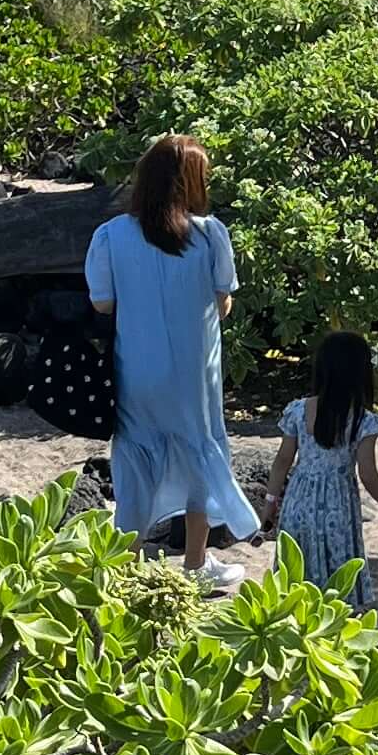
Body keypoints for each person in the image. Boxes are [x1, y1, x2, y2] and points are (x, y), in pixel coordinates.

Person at [85, 136, 258, 594]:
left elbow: (102, 304)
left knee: (136, 456)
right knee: (200, 450)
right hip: (195, 373)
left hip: (137, 369)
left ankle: (127, 564)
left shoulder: (110, 235)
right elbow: (222, 303)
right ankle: (196, 564)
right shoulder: (209, 233)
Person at [258, 330, 378, 597]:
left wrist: (269, 503)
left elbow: (282, 462)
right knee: (337, 574)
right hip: (338, 506)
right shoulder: (363, 419)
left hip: (298, 502)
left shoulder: (298, 410)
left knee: (295, 573)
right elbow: (368, 474)